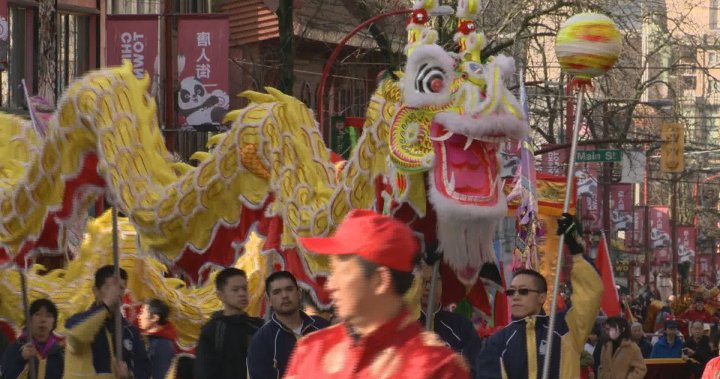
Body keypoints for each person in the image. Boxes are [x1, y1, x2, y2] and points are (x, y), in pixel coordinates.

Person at [286, 209, 470, 378]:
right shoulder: (311, 351)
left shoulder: (434, 367)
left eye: (341, 272)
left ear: (379, 281)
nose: (330, 285)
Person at [475, 213, 603, 379]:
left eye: (523, 291)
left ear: (542, 297)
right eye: (511, 291)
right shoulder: (497, 342)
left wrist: (576, 252)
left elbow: (590, 294)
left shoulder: (565, 329)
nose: (515, 296)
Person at [64, 265, 150, 378]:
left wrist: (128, 376)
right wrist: (106, 305)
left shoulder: (130, 331)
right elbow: (76, 337)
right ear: (96, 291)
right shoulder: (76, 321)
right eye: (108, 287)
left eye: (121, 288)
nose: (116, 294)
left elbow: (144, 371)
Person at [247, 271, 329, 379]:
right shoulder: (261, 340)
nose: (285, 296)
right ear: (269, 301)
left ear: (299, 293)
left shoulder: (321, 326)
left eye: (289, 289)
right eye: (277, 292)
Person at [194, 267, 263, 379]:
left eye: (244, 289)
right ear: (221, 296)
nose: (242, 294)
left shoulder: (258, 326)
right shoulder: (211, 331)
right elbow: (204, 372)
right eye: (235, 290)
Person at [418, 264, 482, 377]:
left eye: (434, 280)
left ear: (443, 285)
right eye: (424, 280)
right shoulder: (405, 326)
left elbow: (475, 368)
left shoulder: (461, 325)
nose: (428, 287)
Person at [1, 299, 64, 379]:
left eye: (48, 315)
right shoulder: (16, 348)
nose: (43, 320)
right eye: (38, 314)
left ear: (54, 323)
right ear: (29, 320)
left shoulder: (59, 354)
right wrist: (21, 359)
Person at [138, 298, 177, 379]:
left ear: (154, 318)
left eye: (142, 312)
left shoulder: (162, 344)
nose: (139, 316)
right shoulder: (149, 340)